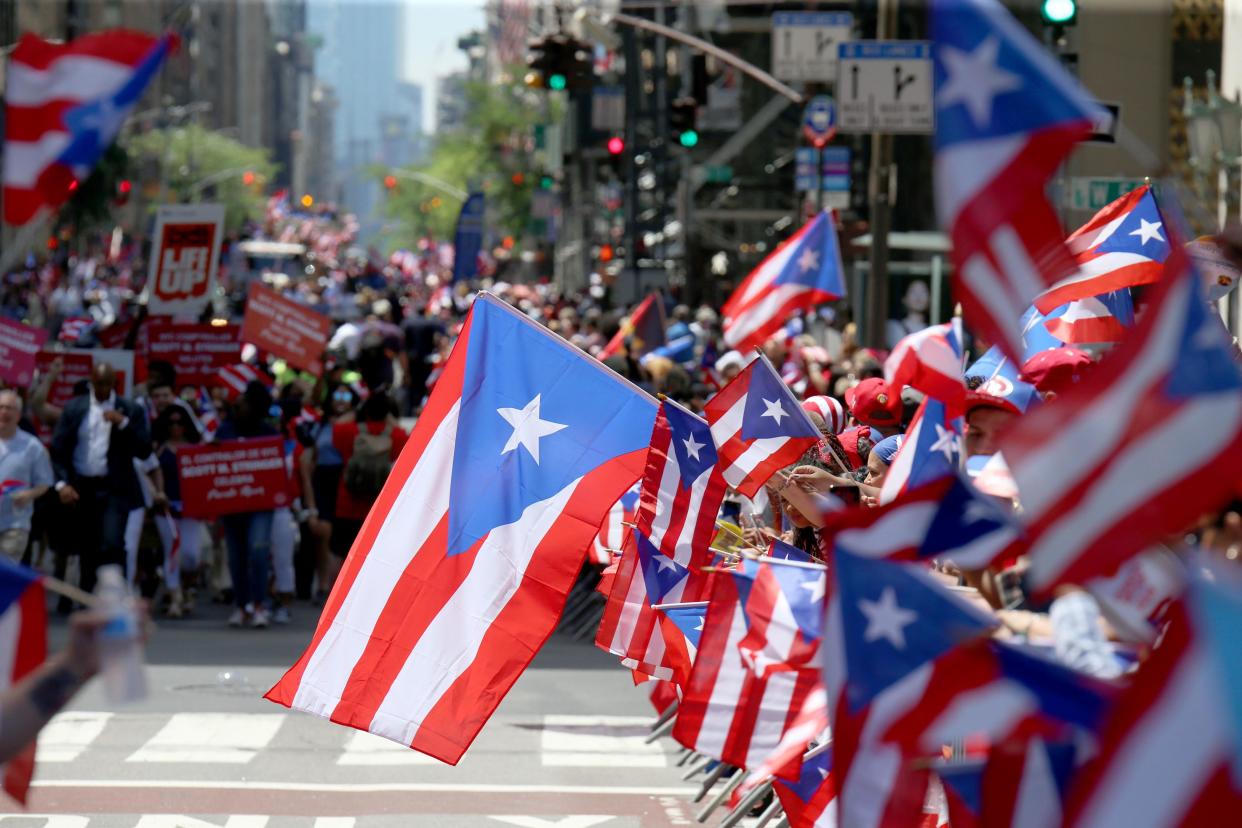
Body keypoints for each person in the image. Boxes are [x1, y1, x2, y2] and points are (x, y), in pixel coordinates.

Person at [50, 363, 155, 596]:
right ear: (91, 382)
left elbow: (145, 450)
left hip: (114, 488)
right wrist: (63, 484)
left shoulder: (129, 410)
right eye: (98, 384)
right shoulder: (75, 408)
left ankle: (115, 595)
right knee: (87, 547)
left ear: (114, 384)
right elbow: (58, 449)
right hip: (82, 487)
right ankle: (87, 598)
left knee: (112, 543)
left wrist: (123, 423)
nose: (103, 389)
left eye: (107, 384)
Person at [215, 381, 279, 628]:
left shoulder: (269, 434)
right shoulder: (225, 431)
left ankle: (260, 605)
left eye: (242, 404)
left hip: (261, 506)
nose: (237, 408)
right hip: (233, 505)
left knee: (258, 550)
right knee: (236, 557)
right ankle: (242, 606)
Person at [330, 391, 407, 559]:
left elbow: (337, 425)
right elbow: (402, 430)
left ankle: (332, 586)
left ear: (366, 411)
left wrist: (357, 410)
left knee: (339, 553)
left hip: (347, 504)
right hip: (376, 505)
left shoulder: (349, 432)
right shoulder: (396, 436)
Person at [151, 406, 203, 619]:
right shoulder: (160, 449)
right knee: (171, 554)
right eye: (171, 423)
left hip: (191, 510)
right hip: (167, 510)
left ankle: (188, 587)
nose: (175, 427)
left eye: (179, 423)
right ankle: (175, 599)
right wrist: (158, 493)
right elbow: (151, 471)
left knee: (191, 556)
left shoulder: (196, 448)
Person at [0, 390, 53, 561]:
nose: (4, 412)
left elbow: (44, 483)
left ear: (19, 414)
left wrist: (28, 494)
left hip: (14, 525)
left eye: (9, 408)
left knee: (4, 578)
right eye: (0, 407)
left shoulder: (32, 446)